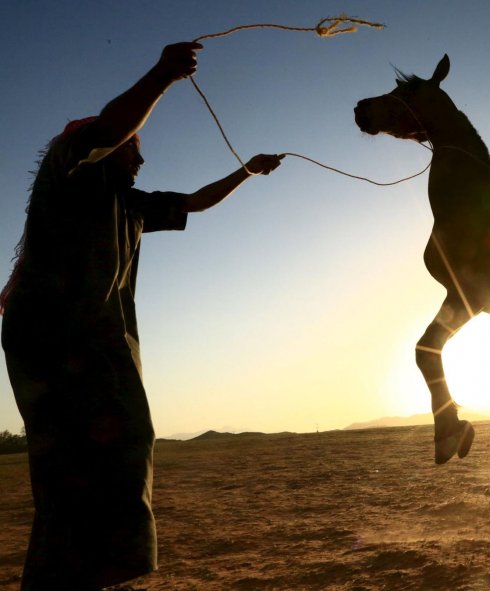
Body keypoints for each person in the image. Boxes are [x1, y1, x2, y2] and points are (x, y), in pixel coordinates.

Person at [0, 41, 282, 591]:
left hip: (96, 338)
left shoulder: (130, 204)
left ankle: (86, 571)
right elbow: (108, 126)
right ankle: (68, 576)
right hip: (54, 332)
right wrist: (163, 74)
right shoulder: (71, 167)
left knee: (121, 443)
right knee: (79, 457)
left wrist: (246, 171)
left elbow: (196, 202)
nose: (142, 158)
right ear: (106, 148)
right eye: (136, 148)